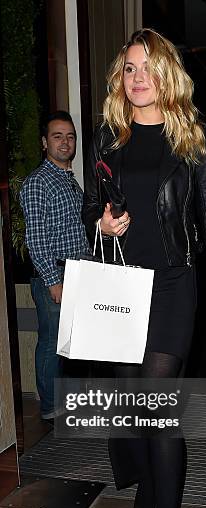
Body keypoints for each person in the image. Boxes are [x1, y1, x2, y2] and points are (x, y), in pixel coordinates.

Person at [83, 29, 206, 508]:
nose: (138, 77)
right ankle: (150, 486)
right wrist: (100, 222)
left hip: (175, 286)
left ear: (166, 73)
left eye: (147, 67)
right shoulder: (109, 138)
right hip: (124, 291)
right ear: (120, 80)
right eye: (128, 69)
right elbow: (89, 208)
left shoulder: (190, 140)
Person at [20, 111, 91, 421]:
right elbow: (35, 238)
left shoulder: (69, 181)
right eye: (58, 136)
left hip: (78, 272)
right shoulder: (38, 182)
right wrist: (53, 280)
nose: (65, 141)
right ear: (44, 142)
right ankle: (50, 407)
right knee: (52, 342)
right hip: (56, 274)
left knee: (72, 343)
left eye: (70, 136)